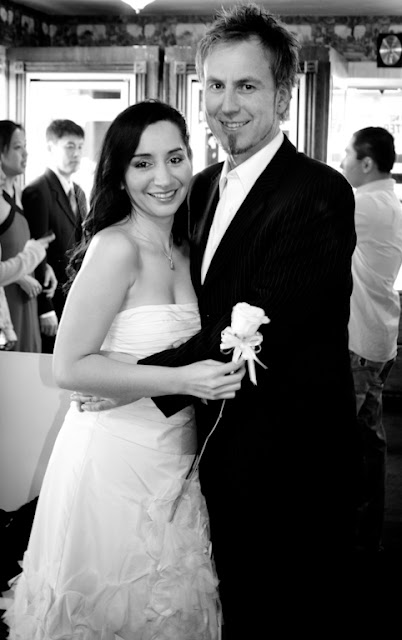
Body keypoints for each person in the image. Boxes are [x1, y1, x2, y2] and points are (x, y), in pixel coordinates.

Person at [104, 5, 359, 635]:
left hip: (287, 463)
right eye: (215, 85)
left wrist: (128, 381)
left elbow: (256, 329)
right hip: (207, 449)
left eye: (246, 85)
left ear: (283, 94)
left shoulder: (318, 192)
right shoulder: (201, 185)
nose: (226, 104)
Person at [3, 100, 244, 640]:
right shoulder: (115, 246)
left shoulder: (189, 245)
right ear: (119, 173)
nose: (164, 177)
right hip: (113, 460)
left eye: (175, 158)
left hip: (176, 456)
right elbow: (69, 366)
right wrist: (182, 379)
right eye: (143, 163)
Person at [341, 126, 402, 552]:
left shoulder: (364, 204)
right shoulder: (389, 202)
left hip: (360, 344)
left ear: (365, 162)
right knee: (368, 440)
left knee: (345, 444)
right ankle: (367, 536)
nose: (341, 162)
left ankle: (348, 540)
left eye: (346, 154)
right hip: (380, 339)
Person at [22, 118, 88, 353]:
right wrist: (45, 308)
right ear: (50, 147)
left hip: (75, 299)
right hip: (51, 300)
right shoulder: (37, 192)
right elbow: (35, 253)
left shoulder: (79, 192)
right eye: (70, 146)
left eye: (80, 147)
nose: (77, 153)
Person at [0, 121, 57, 353]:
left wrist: (43, 266)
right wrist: (21, 274)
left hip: (27, 294)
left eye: (25, 146)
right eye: (17, 147)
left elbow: (20, 244)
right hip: (8, 297)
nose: (25, 153)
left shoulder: (18, 192)